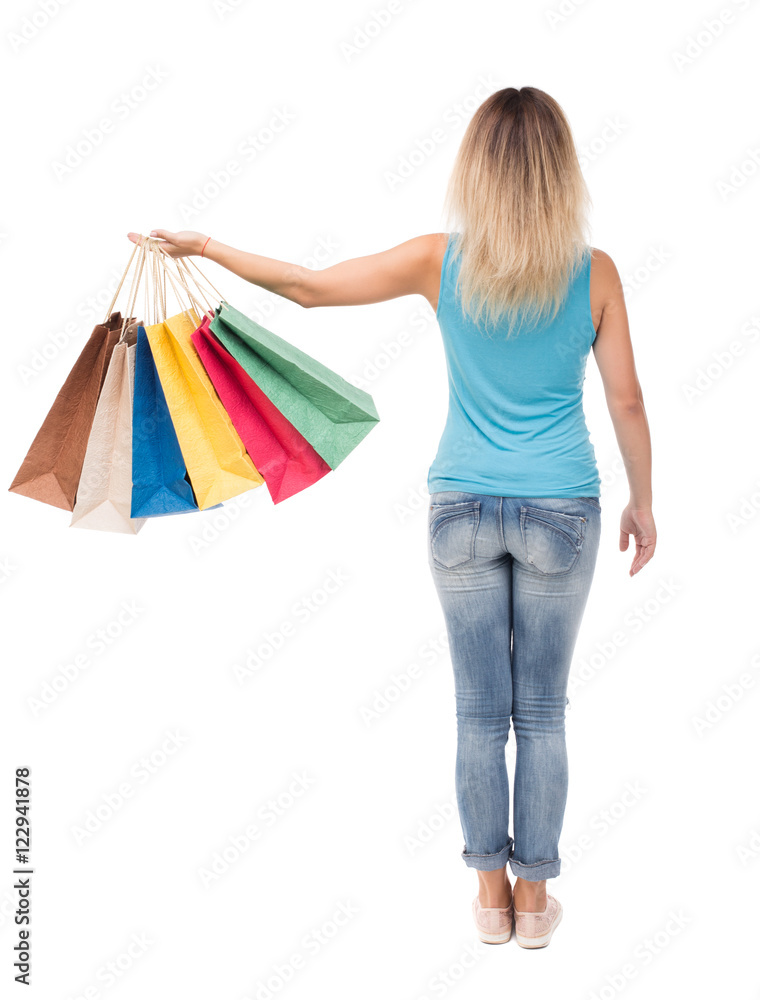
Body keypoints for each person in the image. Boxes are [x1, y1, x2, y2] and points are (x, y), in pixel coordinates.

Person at [128, 85, 655, 951]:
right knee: (544, 713)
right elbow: (626, 399)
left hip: (459, 510)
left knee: (480, 711)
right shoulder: (595, 273)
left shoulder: (438, 261)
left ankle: (490, 902)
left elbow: (307, 288)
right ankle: (535, 907)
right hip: (564, 507)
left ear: (475, 170)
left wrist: (205, 244)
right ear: (561, 169)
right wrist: (644, 500)